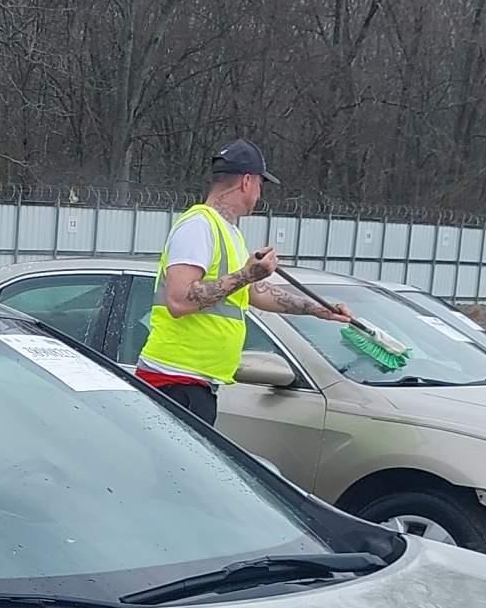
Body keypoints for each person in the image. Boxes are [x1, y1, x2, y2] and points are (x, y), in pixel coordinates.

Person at [136, 140, 351, 426]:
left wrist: (316, 309)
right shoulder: (198, 226)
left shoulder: (231, 233)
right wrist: (247, 273)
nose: (259, 195)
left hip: (194, 382)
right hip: (173, 381)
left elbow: (253, 292)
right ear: (247, 182)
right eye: (261, 185)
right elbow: (179, 300)